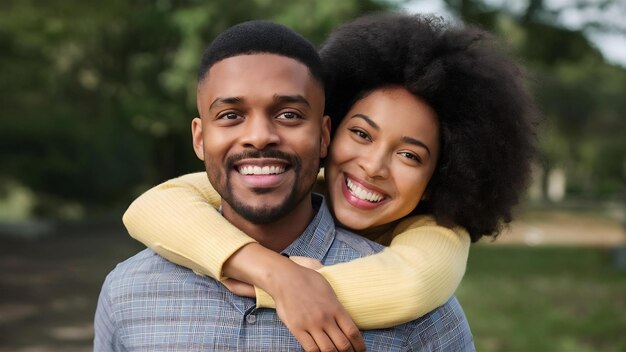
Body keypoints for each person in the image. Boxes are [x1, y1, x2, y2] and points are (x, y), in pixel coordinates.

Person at [122, 10, 536, 349]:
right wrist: (274, 273)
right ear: (328, 135)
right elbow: (157, 206)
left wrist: (290, 289)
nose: (374, 166)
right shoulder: (293, 177)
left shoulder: (434, 250)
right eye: (360, 133)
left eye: (410, 155)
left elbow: (411, 286)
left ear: (438, 179)